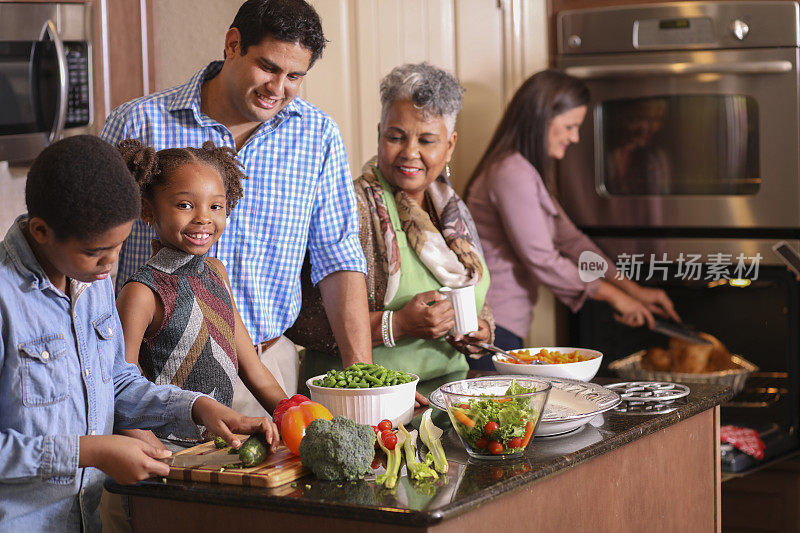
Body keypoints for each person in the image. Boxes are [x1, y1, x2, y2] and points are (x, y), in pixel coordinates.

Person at [99, 0, 371, 410]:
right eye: (268, 67)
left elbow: (338, 257)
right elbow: (91, 250)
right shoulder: (138, 123)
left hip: (264, 370)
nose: (278, 88)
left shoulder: (318, 136)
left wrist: (363, 384)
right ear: (232, 44)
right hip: (146, 373)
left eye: (295, 76)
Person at [0, 135, 276, 531]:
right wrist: (88, 451)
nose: (109, 265)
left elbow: (115, 381)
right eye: (97, 252)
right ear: (41, 231)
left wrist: (195, 407)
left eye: (119, 246)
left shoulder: (89, 281)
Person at [288, 63, 494, 393]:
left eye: (427, 140)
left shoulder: (452, 209)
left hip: (448, 399)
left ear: (450, 145)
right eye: (396, 137)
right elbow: (299, 323)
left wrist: (481, 331)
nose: (410, 153)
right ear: (379, 132)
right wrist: (397, 324)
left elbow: (477, 298)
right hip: (363, 400)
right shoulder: (348, 205)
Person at [465, 70, 679, 360]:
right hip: (491, 325)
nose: (575, 137)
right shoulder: (511, 173)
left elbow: (572, 241)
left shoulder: (525, 171)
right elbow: (543, 259)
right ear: (541, 119)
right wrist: (614, 296)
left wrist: (632, 290)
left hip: (502, 323)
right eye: (569, 126)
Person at [115, 139, 285, 449]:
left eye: (215, 206)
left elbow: (253, 368)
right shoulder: (141, 291)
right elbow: (121, 390)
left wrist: (294, 413)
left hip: (220, 447)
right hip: (166, 452)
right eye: (185, 205)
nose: (203, 217)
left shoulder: (216, 273)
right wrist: (157, 456)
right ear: (148, 210)